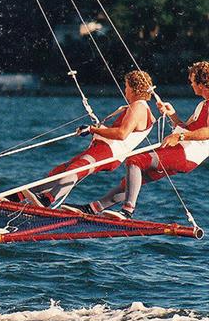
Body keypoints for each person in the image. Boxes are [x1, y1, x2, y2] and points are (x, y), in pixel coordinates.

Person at [79, 61, 209, 219]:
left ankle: (127, 210)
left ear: (202, 83)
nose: (190, 84)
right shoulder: (203, 105)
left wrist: (179, 136)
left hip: (186, 153)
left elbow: (207, 132)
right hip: (180, 151)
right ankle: (93, 208)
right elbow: (187, 127)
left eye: (192, 81)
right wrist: (172, 114)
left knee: (135, 161)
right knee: (131, 180)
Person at [24, 70, 155, 208]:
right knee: (61, 170)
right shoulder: (140, 109)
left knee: (75, 170)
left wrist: (93, 130)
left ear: (134, 89)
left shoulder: (138, 107)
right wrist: (95, 129)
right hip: (106, 150)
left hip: (108, 152)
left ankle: (46, 200)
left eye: (127, 86)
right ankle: (17, 196)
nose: (125, 90)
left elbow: (121, 134)